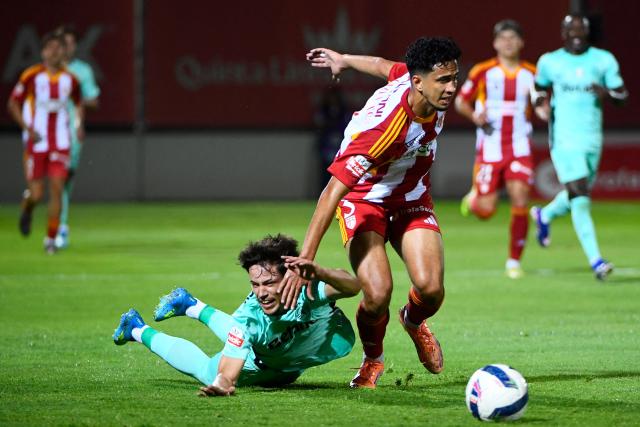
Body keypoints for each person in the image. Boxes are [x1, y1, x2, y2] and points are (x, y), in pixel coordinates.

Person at [279, 37, 461, 389]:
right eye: (444, 81)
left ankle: (412, 320)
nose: (451, 88)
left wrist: (344, 58)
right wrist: (306, 259)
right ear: (417, 81)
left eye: (454, 78)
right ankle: (372, 361)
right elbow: (331, 192)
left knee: (431, 289)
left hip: (411, 197)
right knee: (376, 293)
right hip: (363, 200)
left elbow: (381, 64)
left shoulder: (415, 85)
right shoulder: (383, 131)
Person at [112, 234, 359, 396]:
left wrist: (319, 271)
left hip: (291, 362)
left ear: (289, 275)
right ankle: (136, 328)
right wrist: (223, 382)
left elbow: (354, 285)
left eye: (269, 283)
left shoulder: (307, 288)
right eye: (255, 284)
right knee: (206, 369)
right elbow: (227, 372)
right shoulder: (248, 319)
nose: (261, 293)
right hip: (264, 367)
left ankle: (192, 306)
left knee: (248, 332)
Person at [530, 14, 628, 280]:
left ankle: (544, 214)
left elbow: (622, 95)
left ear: (587, 32)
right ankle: (596, 260)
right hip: (563, 137)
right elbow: (537, 89)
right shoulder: (550, 61)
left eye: (581, 29)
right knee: (581, 196)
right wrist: (540, 105)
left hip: (591, 138)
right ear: (563, 32)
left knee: (577, 194)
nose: (576, 34)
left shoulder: (603, 60)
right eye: (571, 29)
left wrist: (608, 94)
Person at [455, 19, 536, 279]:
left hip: (520, 146)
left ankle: (514, 262)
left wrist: (545, 109)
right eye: (503, 38)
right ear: (495, 43)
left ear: (521, 42)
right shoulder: (483, 71)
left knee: (521, 197)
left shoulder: (532, 73)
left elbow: (541, 104)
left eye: (513, 38)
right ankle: (474, 200)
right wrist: (475, 116)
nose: (508, 42)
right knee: (486, 211)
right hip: (490, 149)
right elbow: (460, 102)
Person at [7, 31, 83, 254]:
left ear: (63, 52)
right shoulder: (31, 76)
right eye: (50, 47)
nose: (54, 51)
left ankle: (50, 239)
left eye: (58, 48)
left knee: (57, 189)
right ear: (43, 52)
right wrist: (27, 128)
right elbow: (13, 103)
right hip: (37, 142)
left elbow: (78, 104)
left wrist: (78, 125)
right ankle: (28, 208)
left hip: (61, 142)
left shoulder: (70, 79)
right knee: (37, 194)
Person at [54, 25, 101, 249]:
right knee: (53, 182)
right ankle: (56, 224)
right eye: (64, 43)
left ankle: (59, 226)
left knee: (63, 179)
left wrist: (78, 100)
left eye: (71, 43)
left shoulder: (81, 71)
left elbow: (93, 99)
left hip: (71, 131)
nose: (67, 48)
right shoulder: (45, 72)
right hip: (46, 132)